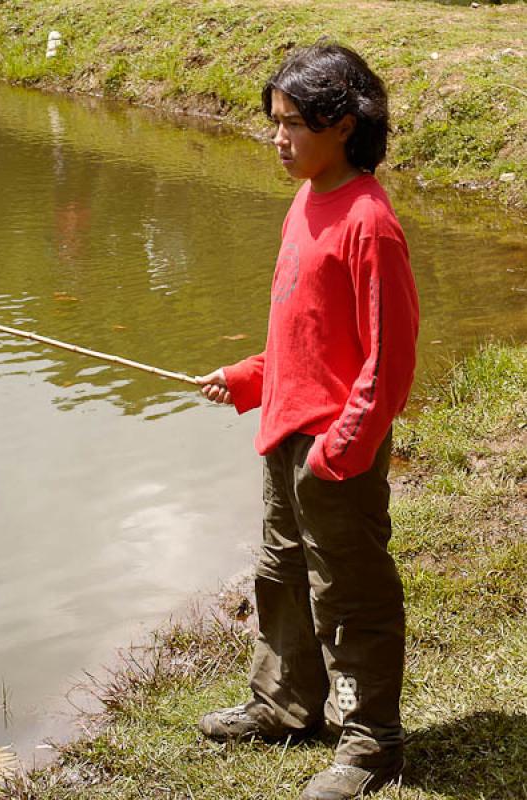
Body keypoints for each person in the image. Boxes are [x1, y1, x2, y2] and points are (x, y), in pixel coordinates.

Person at [196, 41, 419, 800]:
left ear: (345, 125)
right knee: (281, 575)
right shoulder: (305, 199)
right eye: (275, 122)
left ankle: (369, 743)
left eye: (294, 124)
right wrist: (249, 378)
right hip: (286, 435)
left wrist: (338, 451)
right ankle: (284, 704)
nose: (278, 139)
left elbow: (387, 365)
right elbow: (304, 335)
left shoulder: (369, 222)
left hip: (335, 452)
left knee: (348, 594)